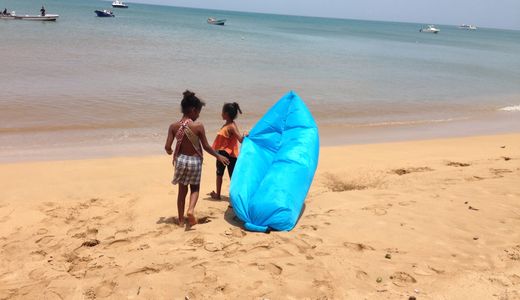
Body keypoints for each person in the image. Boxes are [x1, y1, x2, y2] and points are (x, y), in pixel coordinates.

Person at [165, 90, 229, 227]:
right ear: (193, 110)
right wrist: (218, 156)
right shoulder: (198, 126)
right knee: (195, 188)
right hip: (195, 161)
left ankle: (181, 221)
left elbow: (167, 147)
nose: (199, 115)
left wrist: (170, 151)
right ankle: (191, 210)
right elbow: (206, 146)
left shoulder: (173, 126)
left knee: (182, 191)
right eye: (199, 112)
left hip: (181, 160)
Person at [210, 102, 246, 200]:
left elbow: (240, 139)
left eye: (222, 112)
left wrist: (246, 135)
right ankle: (231, 197)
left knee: (220, 174)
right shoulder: (230, 124)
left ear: (226, 114)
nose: (221, 114)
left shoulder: (231, 126)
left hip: (224, 154)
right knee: (229, 176)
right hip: (230, 154)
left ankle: (220, 195)